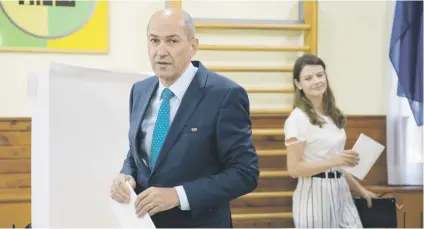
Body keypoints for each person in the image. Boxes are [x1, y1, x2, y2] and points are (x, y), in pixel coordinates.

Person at [109, 8, 259, 228]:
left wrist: (178, 195)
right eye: (154, 40)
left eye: (172, 41)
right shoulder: (139, 91)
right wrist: (127, 175)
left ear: (193, 46)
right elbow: (137, 153)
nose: (160, 51)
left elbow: (245, 174)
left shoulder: (225, 95)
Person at [284, 54, 377, 228]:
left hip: (341, 191)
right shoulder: (297, 119)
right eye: (308, 78)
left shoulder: (333, 115)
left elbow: (338, 167)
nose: (316, 81)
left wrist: (361, 190)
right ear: (298, 84)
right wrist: (334, 161)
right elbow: (294, 169)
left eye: (320, 75)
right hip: (314, 195)